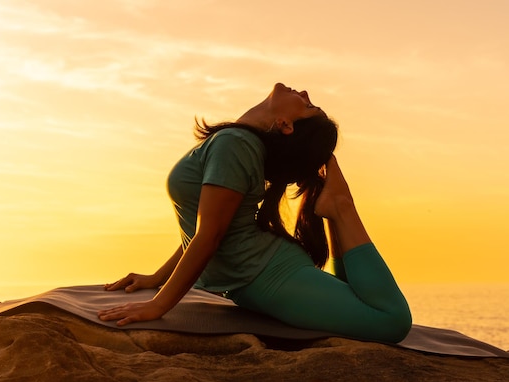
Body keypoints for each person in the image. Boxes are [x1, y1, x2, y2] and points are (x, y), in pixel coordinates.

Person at [97, 83, 412, 343]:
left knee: (390, 321)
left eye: (307, 105)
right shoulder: (235, 143)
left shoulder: (236, 145)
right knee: (364, 301)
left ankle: (341, 206)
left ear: (286, 125)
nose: (303, 92)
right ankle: (335, 206)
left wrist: (158, 305)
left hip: (266, 275)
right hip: (261, 272)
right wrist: (157, 278)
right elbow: (204, 229)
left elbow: (211, 235)